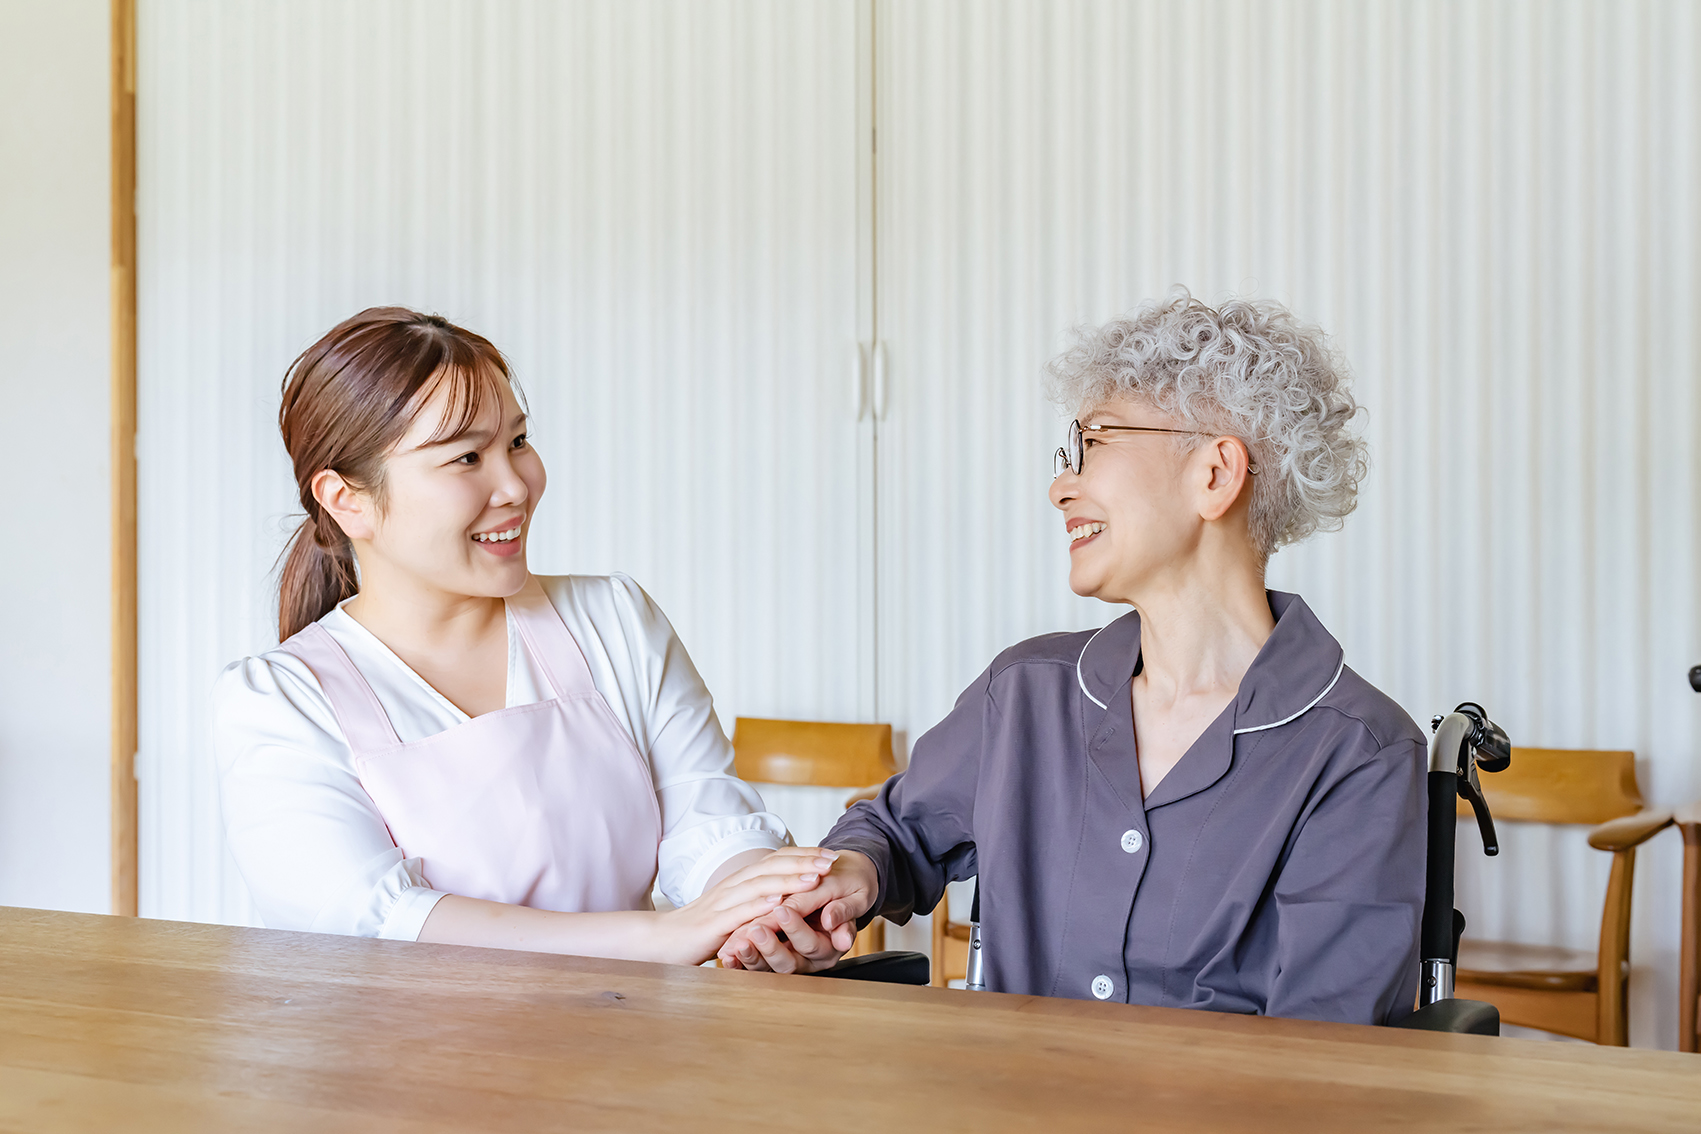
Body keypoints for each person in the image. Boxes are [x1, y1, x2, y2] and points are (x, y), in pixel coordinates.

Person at [717, 291, 1428, 1025]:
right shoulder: (1025, 692)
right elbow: (897, 830)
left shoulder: (1360, 751)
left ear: (1215, 474)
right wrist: (854, 874)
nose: (1061, 487)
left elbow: (1325, 1049)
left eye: (1094, 443)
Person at [213, 307, 834, 965]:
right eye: (465, 457)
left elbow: (711, 825)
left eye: (517, 441)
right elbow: (367, 917)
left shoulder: (612, 620)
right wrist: (662, 937)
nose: (514, 486)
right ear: (347, 500)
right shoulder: (280, 699)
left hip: (630, 1024)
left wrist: (765, 913)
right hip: (411, 1035)